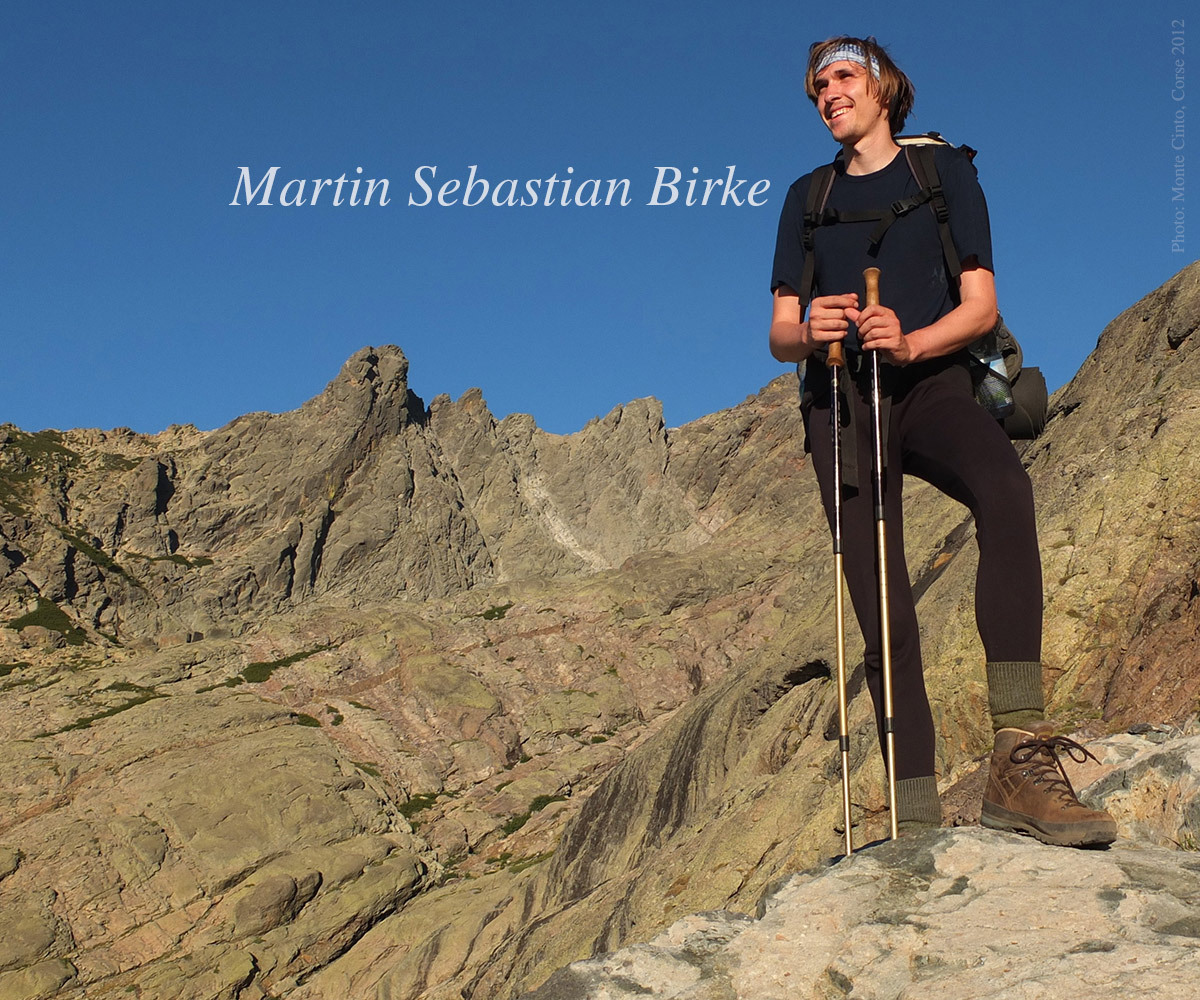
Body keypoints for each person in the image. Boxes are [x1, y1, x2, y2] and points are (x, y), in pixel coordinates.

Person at [768, 36, 1115, 847]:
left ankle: (1019, 758)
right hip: (843, 405)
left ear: (884, 86)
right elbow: (782, 327)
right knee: (879, 596)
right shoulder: (806, 196)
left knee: (1005, 490)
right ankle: (916, 815)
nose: (827, 92)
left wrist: (915, 342)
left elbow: (982, 305)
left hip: (931, 383)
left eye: (843, 76)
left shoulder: (944, 175)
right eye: (816, 84)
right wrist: (808, 329)